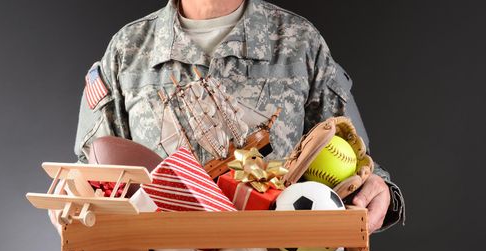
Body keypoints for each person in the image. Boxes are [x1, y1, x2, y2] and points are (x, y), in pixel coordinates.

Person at [67, 0, 405, 233]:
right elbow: (93, 176)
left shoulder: (300, 44)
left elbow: (354, 159)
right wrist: (74, 200)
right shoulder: (127, 52)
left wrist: (377, 188)